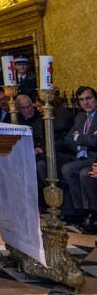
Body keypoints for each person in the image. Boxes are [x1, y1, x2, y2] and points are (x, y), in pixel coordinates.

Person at [61, 86, 97, 224]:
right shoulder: (80, 116)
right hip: (79, 157)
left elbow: (95, 141)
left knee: (73, 170)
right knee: (65, 167)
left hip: (93, 158)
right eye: (81, 100)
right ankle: (80, 209)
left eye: (89, 98)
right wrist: (86, 138)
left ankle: (89, 211)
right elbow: (67, 139)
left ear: (96, 99)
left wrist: (78, 137)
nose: (85, 103)